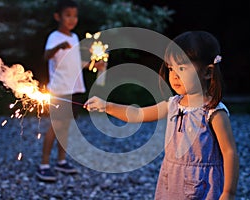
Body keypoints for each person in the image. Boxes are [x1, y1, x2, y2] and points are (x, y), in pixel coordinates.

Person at [84, 31, 239, 199]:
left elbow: (229, 152)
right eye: (171, 68)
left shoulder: (213, 112)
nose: (174, 75)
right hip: (171, 180)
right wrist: (106, 106)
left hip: (201, 185)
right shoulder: (172, 104)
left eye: (182, 68)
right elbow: (137, 114)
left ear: (207, 72)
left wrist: (228, 192)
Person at [36, 0, 105, 182]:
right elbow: (46, 55)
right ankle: (43, 165)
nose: (72, 19)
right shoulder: (55, 37)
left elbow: (75, 63)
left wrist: (94, 64)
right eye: (68, 15)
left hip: (75, 88)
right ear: (58, 16)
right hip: (59, 90)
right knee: (55, 126)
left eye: (74, 15)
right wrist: (59, 47)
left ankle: (61, 161)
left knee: (66, 127)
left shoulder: (74, 37)